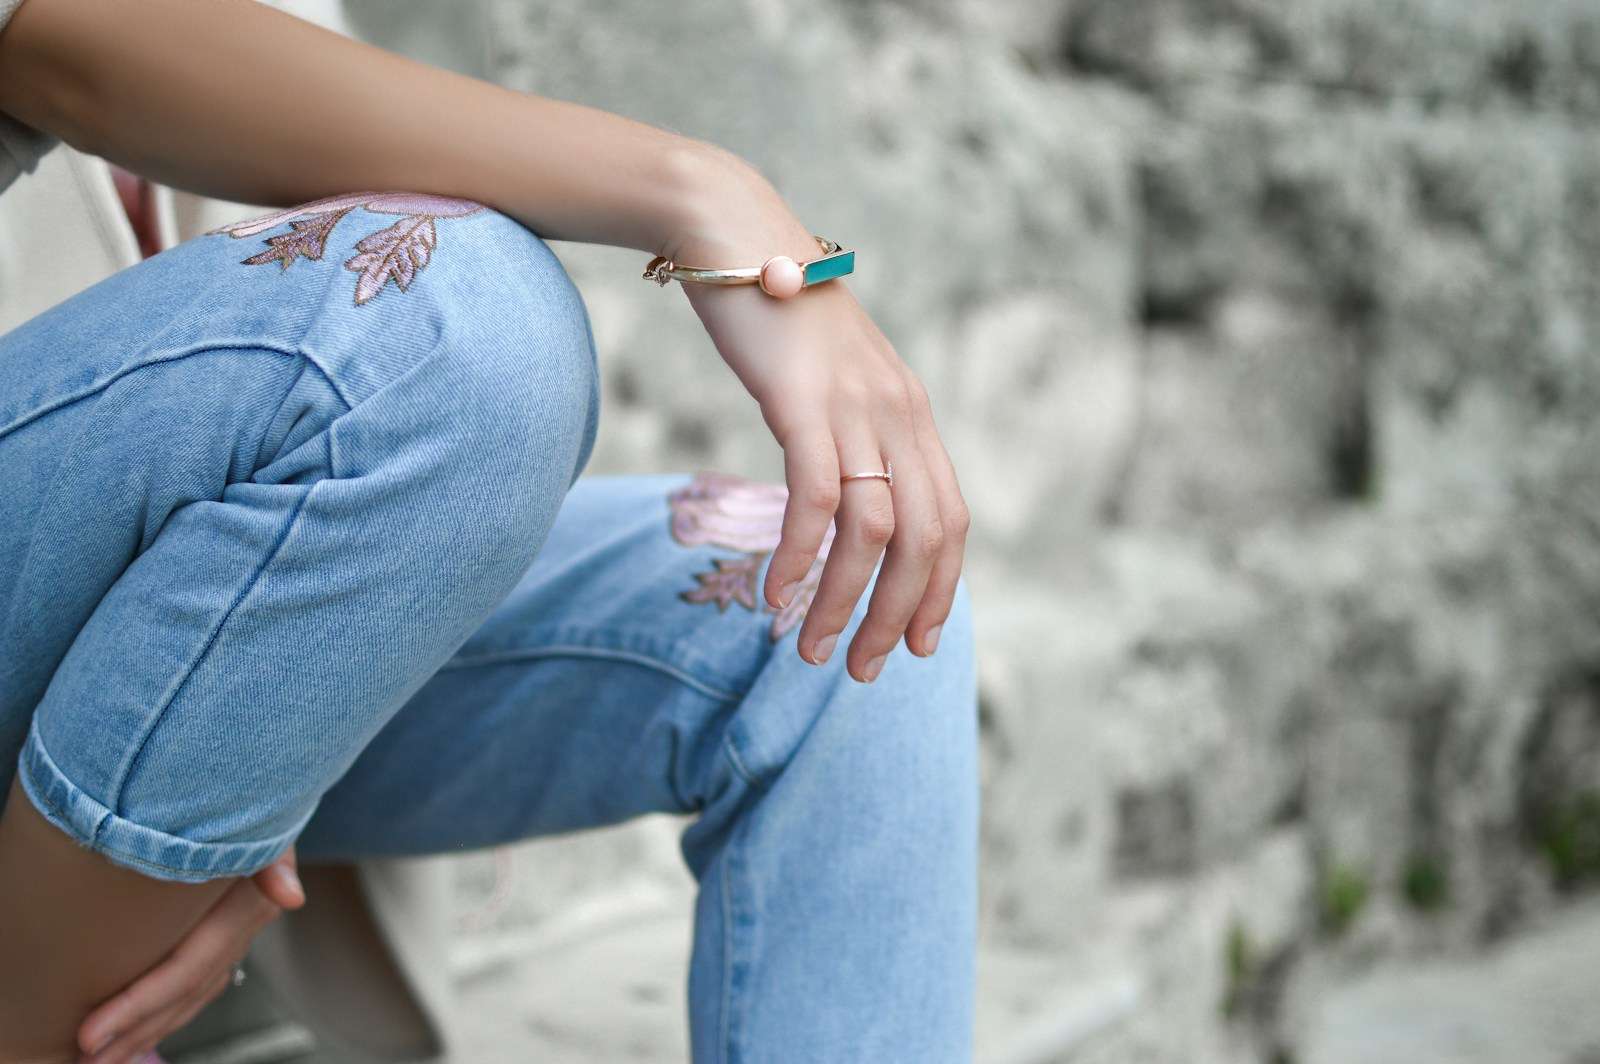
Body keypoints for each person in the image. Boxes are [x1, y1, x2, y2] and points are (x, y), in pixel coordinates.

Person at [0, 1, 978, 1061]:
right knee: (455, 329)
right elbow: (65, 56)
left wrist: (222, 750)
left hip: (135, 624)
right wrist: (703, 193)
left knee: (852, 587)